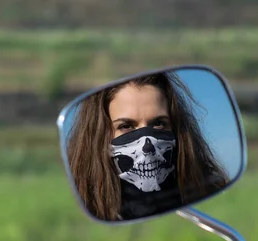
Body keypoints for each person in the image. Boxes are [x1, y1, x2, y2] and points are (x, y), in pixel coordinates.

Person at [67, 71, 229, 221]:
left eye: (158, 123)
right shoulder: (87, 212)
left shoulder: (206, 196)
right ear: (99, 138)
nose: (147, 145)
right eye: (126, 126)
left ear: (177, 129)